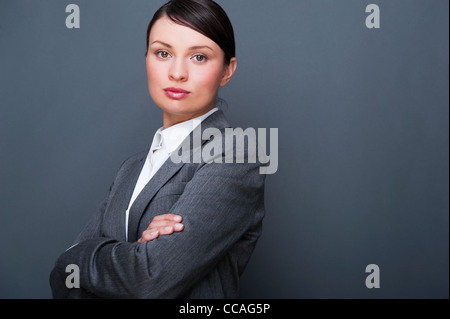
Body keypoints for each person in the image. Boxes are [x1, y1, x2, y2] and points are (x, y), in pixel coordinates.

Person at [50, 0, 265, 299]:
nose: (177, 72)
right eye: (163, 53)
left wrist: (76, 255)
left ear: (227, 71)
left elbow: (149, 279)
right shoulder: (131, 169)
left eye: (199, 57)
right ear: (147, 58)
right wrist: (136, 251)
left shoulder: (235, 155)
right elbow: (65, 279)